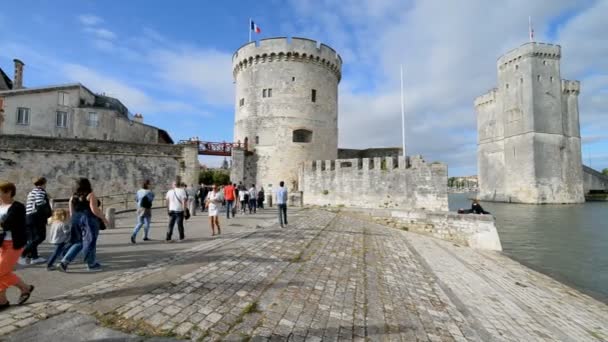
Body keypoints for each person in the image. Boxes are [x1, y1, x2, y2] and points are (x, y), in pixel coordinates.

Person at [59, 178, 108, 272]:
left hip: (76, 219)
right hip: (89, 219)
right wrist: (104, 218)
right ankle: (91, 264)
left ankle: (64, 262)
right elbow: (94, 210)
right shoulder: (90, 195)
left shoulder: (73, 197)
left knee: (78, 242)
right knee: (91, 242)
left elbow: (71, 212)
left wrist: (73, 222)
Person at [0, 181, 35, 310]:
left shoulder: (17, 207)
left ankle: (24, 288)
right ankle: (3, 300)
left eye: (0, 192)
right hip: (1, 244)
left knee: (1, 272)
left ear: (8, 192)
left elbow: (6, 224)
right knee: (3, 272)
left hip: (14, 244)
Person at [20, 177, 52, 265]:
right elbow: (39, 203)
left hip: (29, 217)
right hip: (36, 217)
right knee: (41, 237)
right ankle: (23, 253)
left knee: (32, 238)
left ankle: (34, 257)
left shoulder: (31, 192)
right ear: (44, 183)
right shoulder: (40, 191)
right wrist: (47, 200)